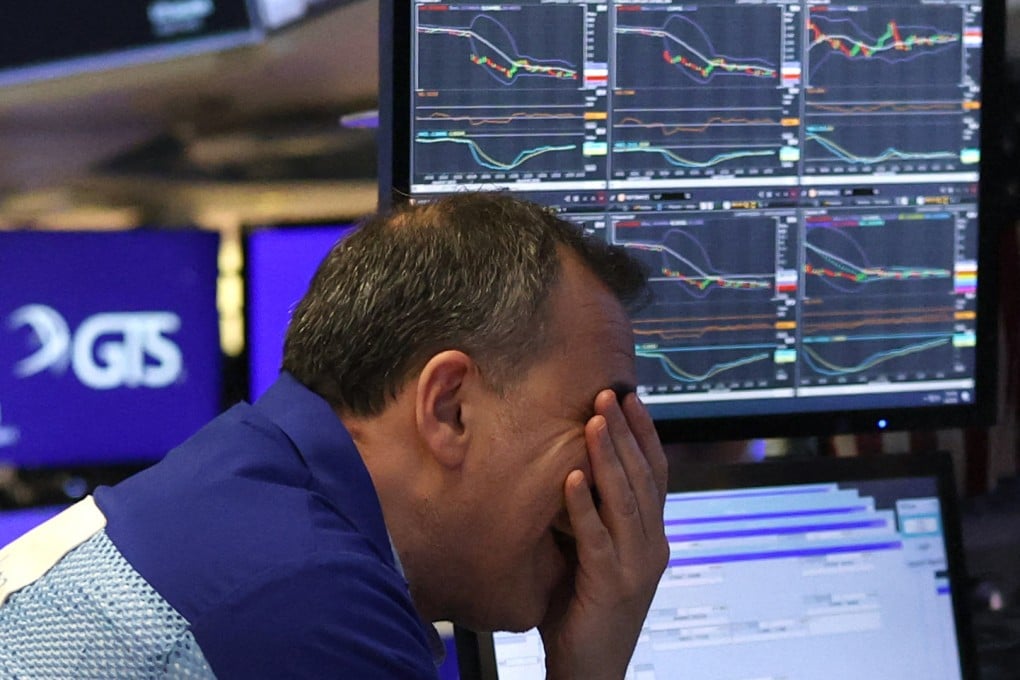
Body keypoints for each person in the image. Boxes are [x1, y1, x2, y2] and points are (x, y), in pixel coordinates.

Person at [0, 193, 669, 678]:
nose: (623, 482)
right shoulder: (308, 609)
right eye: (597, 422)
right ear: (449, 409)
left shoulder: (244, 495)